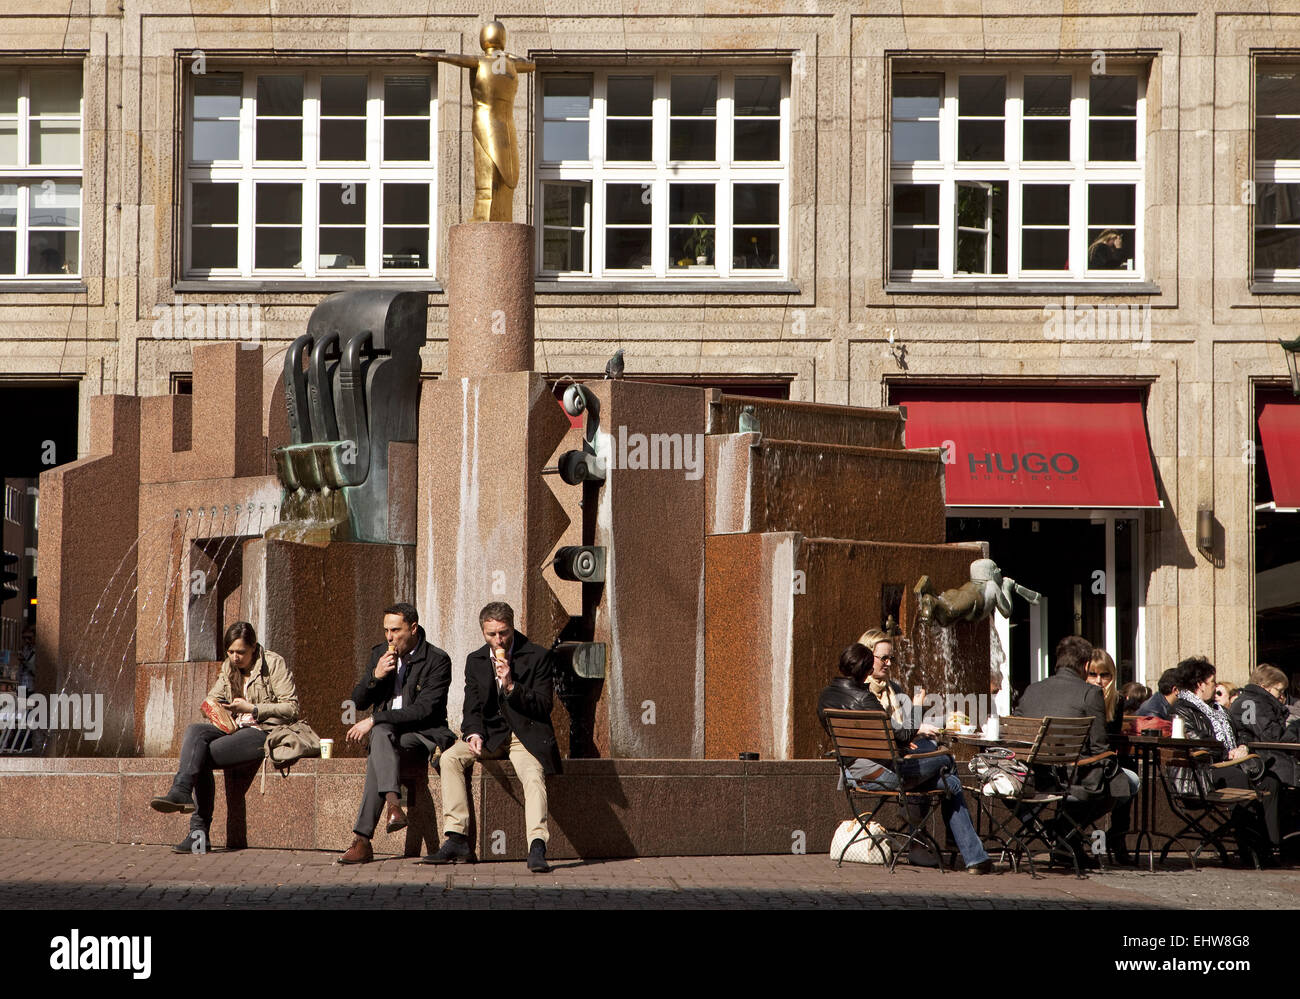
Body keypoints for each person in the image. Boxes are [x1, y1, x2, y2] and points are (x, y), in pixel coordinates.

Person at [817, 636, 993, 874]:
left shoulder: (825, 697)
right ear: (868, 669)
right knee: (947, 760)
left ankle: (974, 857)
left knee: (950, 782)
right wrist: (917, 707)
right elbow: (901, 736)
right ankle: (960, 846)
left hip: (852, 773)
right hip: (881, 774)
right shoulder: (866, 699)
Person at [424, 602, 561, 873]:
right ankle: (456, 838)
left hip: (524, 735)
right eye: (492, 634)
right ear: (483, 632)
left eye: (504, 633)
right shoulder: (475, 660)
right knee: (450, 757)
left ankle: (537, 845)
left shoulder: (537, 656)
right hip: (489, 736)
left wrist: (511, 686)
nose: (498, 639)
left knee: (533, 775)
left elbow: (544, 706)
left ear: (512, 627)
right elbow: (471, 706)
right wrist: (473, 733)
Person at [150, 622, 298, 853]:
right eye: (230, 652)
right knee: (194, 731)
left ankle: (197, 833)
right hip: (234, 726)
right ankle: (181, 790)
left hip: (264, 731)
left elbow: (291, 708)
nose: (235, 657)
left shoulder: (273, 662)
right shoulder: (229, 667)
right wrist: (213, 707)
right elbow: (212, 698)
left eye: (241, 652)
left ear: (254, 648)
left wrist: (252, 708)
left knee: (200, 757)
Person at [338, 603, 456, 865]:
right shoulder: (380, 653)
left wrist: (375, 718)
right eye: (386, 630)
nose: (389, 637)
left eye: (395, 630)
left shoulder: (437, 659)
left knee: (378, 736)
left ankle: (363, 840)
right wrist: (376, 676)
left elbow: (423, 711)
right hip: (388, 735)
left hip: (423, 733)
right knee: (381, 736)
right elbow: (357, 700)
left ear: (413, 628)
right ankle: (393, 807)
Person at [1016, 635, 1136, 867]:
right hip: (1074, 776)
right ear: (1084, 666)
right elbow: (1099, 747)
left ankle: (1063, 834)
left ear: (1057, 662)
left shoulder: (1032, 690)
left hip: (1035, 776)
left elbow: (1021, 740)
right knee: (1129, 782)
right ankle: (1063, 830)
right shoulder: (1090, 693)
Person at [1171, 656, 1274, 864]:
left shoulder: (1219, 710)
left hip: (1228, 764)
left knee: (1270, 781)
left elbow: (1240, 733)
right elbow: (1195, 741)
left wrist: (1242, 746)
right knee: (1238, 779)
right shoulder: (1183, 708)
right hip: (1201, 771)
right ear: (1200, 685)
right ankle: (1251, 849)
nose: (1215, 687)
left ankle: (1271, 845)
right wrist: (1226, 753)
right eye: (1212, 682)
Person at [1229, 664, 1300, 855]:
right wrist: (1295, 727)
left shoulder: (1251, 701)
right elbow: (1272, 736)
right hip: (1261, 762)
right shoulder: (1254, 703)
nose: (1282, 696)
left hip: (1263, 760)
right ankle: (1277, 843)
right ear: (1265, 686)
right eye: (1279, 690)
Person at [1086, 648, 1125, 732]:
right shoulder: (1078, 698)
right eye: (1092, 674)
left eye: (1104, 675)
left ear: (1112, 676)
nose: (1098, 681)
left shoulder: (1117, 700)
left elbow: (1114, 732)